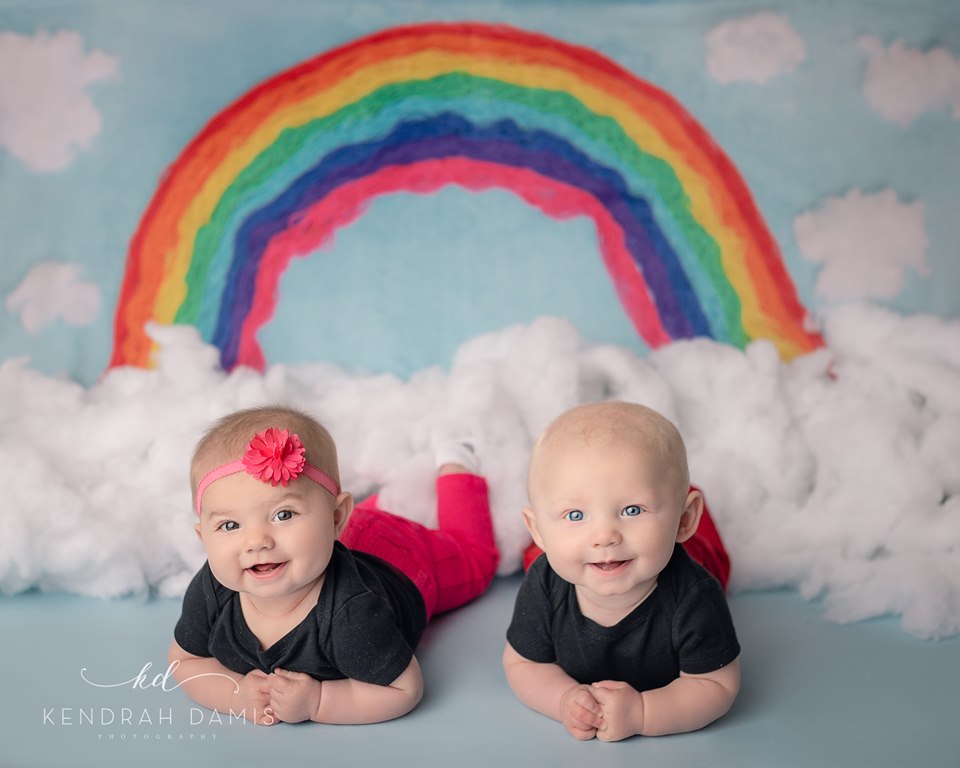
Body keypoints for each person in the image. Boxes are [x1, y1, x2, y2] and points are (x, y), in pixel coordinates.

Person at [169, 404, 499, 726]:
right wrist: (235, 695)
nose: (256, 542)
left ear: (337, 516)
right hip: (335, 540)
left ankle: (456, 464)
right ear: (203, 537)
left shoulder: (353, 615)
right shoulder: (213, 588)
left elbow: (404, 689)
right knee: (355, 518)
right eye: (229, 525)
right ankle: (388, 500)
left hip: (401, 559)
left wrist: (318, 701)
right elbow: (184, 660)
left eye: (283, 514)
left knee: (475, 560)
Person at [503, 401, 740, 741]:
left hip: (695, 551)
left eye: (632, 510)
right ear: (536, 529)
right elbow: (523, 664)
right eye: (575, 515)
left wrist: (643, 713)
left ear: (685, 519)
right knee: (557, 553)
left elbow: (716, 684)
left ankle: (678, 505)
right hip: (605, 549)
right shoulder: (544, 583)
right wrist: (564, 700)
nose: (604, 536)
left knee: (703, 546)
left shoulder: (695, 595)